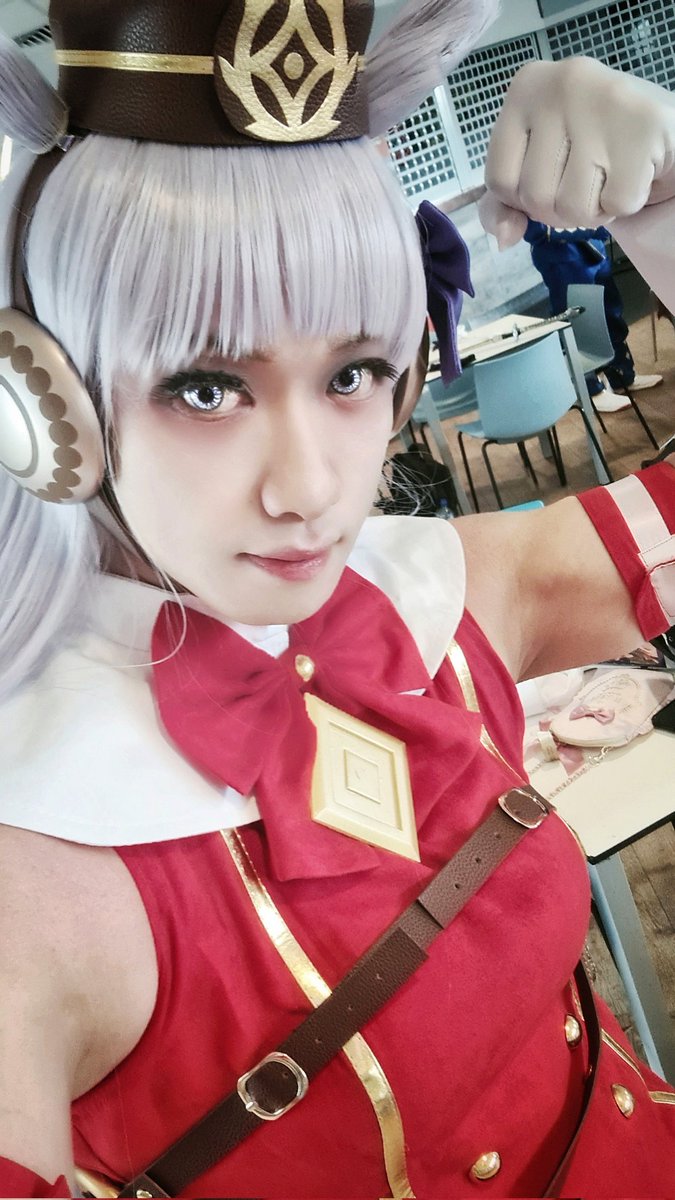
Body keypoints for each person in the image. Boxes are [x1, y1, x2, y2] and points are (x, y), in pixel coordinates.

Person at [0, 6, 674, 1198]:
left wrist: (668, 219)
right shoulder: (39, 883)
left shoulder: (436, 602)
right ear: (45, 412)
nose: (310, 488)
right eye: (206, 388)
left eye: (354, 372)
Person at [523, 219, 662, 412]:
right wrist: (591, 228)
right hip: (562, 254)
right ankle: (589, 390)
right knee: (578, 325)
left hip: (593, 247)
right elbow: (535, 229)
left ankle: (622, 375)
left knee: (611, 314)